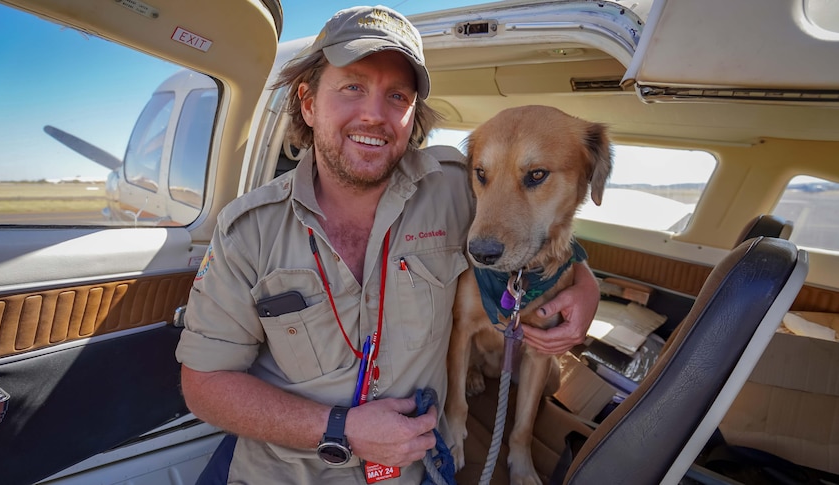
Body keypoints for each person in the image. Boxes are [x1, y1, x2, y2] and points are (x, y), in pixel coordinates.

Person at [176, 5, 600, 484]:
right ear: (310, 103)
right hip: (283, 471)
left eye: (397, 96)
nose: (374, 115)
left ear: (412, 116)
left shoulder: (457, 189)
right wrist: (342, 429)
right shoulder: (245, 231)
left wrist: (586, 287)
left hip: (413, 469)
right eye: (353, 87)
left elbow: (531, 230)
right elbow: (204, 386)